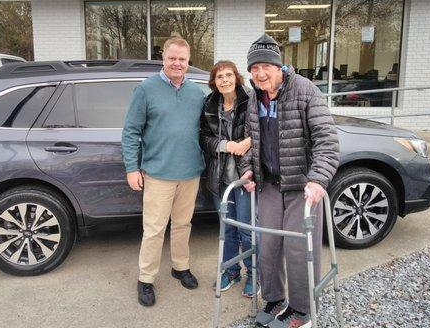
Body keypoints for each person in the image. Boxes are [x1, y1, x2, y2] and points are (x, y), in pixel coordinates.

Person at [239, 34, 339, 328]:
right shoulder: (255, 97)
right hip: (270, 184)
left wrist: (319, 179)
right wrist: (248, 169)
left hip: (301, 187)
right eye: (254, 67)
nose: (259, 73)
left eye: (265, 66)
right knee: (267, 245)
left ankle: (302, 309)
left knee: (299, 250)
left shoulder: (304, 90)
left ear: (278, 66)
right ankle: (274, 299)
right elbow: (250, 140)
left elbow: (327, 140)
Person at [122, 37, 206, 307]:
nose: (177, 63)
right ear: (164, 58)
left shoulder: (196, 93)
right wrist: (132, 168)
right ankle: (146, 279)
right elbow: (131, 131)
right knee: (154, 229)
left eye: (182, 59)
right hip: (157, 174)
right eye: (172, 58)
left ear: (188, 61)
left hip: (190, 173)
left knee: (183, 225)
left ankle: (180, 267)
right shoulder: (146, 89)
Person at [199, 60, 255, 297]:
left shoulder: (251, 100)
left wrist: (249, 141)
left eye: (229, 75)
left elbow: (266, 130)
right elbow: (203, 138)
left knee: (247, 230)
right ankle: (231, 271)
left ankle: (255, 274)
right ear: (214, 82)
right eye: (219, 76)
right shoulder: (209, 104)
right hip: (220, 178)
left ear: (237, 77)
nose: (224, 80)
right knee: (228, 229)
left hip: (245, 178)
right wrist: (223, 145)